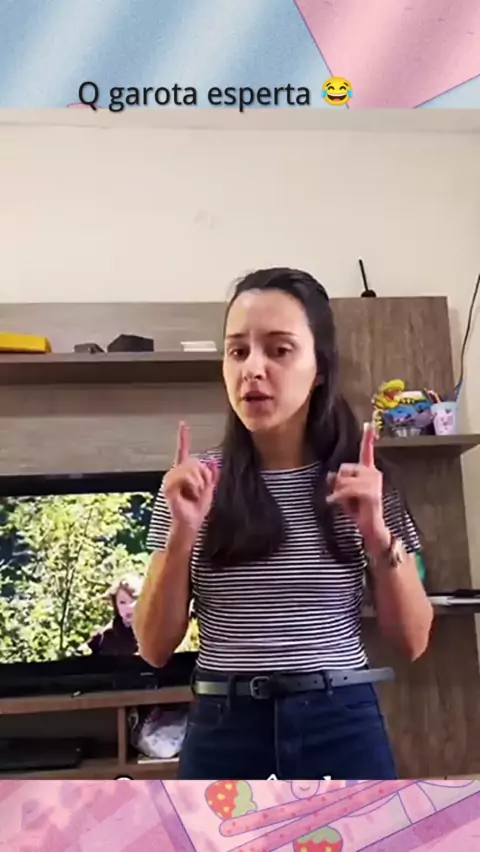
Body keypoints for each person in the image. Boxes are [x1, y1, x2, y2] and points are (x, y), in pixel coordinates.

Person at [134, 267, 434, 780]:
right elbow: (153, 648)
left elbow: (413, 641)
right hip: (224, 725)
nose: (253, 369)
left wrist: (377, 534)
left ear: (319, 368)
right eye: (237, 351)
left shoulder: (362, 482)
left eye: (279, 350)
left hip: (340, 720)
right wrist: (181, 535)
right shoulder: (193, 485)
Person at [83, 573, 143, 656]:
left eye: (134, 601)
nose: (128, 607)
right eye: (122, 602)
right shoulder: (104, 637)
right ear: (116, 605)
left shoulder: (155, 634)